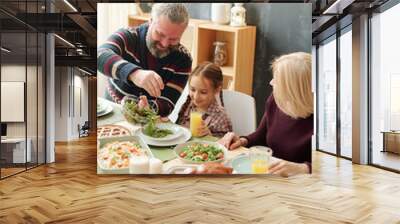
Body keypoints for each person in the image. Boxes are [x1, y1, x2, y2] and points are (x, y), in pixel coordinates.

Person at [219, 52, 313, 177]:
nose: (271, 82)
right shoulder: (276, 100)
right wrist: (243, 140)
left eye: (277, 80)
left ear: (293, 89)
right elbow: (261, 135)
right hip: (271, 175)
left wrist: (304, 168)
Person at [97, 3, 192, 117]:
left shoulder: (183, 59)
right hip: (111, 113)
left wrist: (148, 109)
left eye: (173, 39)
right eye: (160, 34)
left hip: (148, 121)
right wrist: (134, 73)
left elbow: (168, 104)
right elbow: (99, 55)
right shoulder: (129, 36)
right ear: (150, 21)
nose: (165, 43)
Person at [176, 62, 232, 137]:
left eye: (203, 92)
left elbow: (226, 145)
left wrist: (210, 136)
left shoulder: (221, 118)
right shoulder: (187, 106)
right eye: (192, 89)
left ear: (217, 90)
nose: (196, 97)